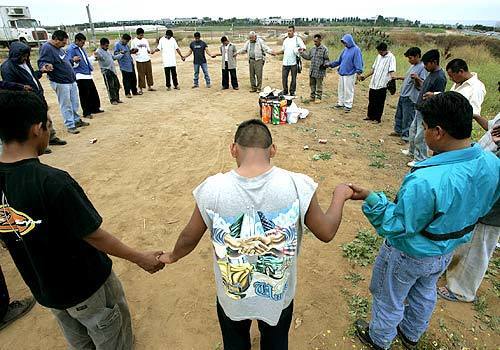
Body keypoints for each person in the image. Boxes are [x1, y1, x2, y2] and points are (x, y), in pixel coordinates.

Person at [158, 119, 354, 350]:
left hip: (232, 297)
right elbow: (327, 231)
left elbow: (188, 238)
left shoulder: (212, 188)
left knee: (235, 343)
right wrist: (340, 195)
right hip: (278, 298)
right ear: (272, 150)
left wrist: (172, 256)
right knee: (276, 342)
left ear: (233, 149)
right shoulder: (297, 185)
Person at [0, 90, 165, 349]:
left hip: (46, 289)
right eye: (48, 124)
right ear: (36, 129)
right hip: (86, 286)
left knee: (78, 338)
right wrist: (140, 257)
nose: (48, 131)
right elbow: (94, 234)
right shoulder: (52, 181)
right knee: (112, 335)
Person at [348, 92, 500, 350]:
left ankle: (379, 338)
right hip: (445, 250)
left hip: (410, 253)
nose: (425, 131)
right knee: (424, 292)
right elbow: (485, 205)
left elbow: (398, 226)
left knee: (390, 296)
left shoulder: (426, 180)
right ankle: (411, 334)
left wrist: (372, 199)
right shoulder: (491, 164)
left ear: (438, 132)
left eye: (426, 127)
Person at [1, 41, 66, 150]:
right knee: (35, 123)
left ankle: (51, 137)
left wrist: (41, 71)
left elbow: (32, 77)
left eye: (26, 55)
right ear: (16, 55)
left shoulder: (26, 63)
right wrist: (23, 89)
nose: (25, 58)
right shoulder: (7, 67)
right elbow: (10, 87)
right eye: (23, 56)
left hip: (37, 95)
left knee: (46, 119)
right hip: (26, 100)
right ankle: (39, 145)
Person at [38, 30, 89, 134]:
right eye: (63, 42)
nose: (64, 44)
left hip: (70, 80)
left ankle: (76, 120)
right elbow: (42, 62)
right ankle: (70, 125)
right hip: (60, 81)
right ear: (56, 39)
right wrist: (45, 66)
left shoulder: (59, 49)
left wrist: (72, 60)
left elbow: (63, 61)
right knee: (66, 104)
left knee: (74, 102)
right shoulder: (47, 48)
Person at [404, 49, 447, 167]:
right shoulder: (431, 74)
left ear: (433, 62)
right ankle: (412, 152)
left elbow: (440, 96)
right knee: (412, 131)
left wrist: (432, 97)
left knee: (420, 136)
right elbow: (424, 86)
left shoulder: (440, 77)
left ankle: (420, 159)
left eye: (426, 64)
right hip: (419, 107)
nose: (425, 67)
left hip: (427, 111)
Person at [390, 47, 427, 142]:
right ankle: (398, 130)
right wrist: (398, 77)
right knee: (399, 114)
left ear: (417, 56)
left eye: (411, 58)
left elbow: (422, 84)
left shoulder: (422, 67)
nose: (409, 60)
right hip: (403, 94)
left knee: (408, 117)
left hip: (411, 96)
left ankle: (406, 136)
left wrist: (417, 78)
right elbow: (407, 77)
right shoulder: (413, 66)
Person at [67, 33, 104, 119]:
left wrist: (93, 57)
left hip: (87, 73)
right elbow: (69, 63)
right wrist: (75, 61)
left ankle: (94, 108)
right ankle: (86, 112)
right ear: (77, 41)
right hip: (80, 75)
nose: (83, 44)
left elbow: (86, 60)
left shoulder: (81, 49)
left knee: (92, 93)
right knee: (84, 95)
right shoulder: (71, 49)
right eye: (82, 42)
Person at [325, 34, 364, 113]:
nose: (344, 44)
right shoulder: (345, 49)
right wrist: (330, 64)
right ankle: (341, 103)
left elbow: (358, 63)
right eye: (343, 43)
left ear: (349, 41)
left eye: (345, 42)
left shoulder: (356, 50)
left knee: (348, 90)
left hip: (350, 74)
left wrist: (359, 72)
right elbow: (339, 61)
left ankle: (348, 105)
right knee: (341, 89)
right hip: (342, 73)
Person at [359, 43, 396, 123]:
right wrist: (365, 77)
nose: (380, 53)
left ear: (385, 50)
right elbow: (373, 69)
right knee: (372, 100)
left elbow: (392, 70)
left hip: (383, 84)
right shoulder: (379, 56)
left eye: (381, 52)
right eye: (379, 52)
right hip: (374, 82)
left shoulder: (391, 57)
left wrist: (393, 79)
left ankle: (377, 118)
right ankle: (370, 116)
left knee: (379, 102)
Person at [275, 25, 305, 96]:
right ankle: (285, 91)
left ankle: (292, 92)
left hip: (294, 62)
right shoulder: (285, 40)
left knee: (293, 78)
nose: (289, 32)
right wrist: (276, 53)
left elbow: (303, 47)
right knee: (284, 78)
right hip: (285, 62)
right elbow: (283, 50)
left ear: (294, 31)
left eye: (290, 31)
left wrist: (300, 50)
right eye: (288, 31)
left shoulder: (297, 39)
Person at [300, 34, 329, 103]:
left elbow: (327, 59)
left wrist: (325, 65)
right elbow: (308, 57)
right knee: (312, 84)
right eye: (314, 41)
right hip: (312, 70)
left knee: (319, 85)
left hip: (320, 70)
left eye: (316, 41)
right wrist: (302, 53)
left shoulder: (324, 49)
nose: (315, 42)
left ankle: (318, 97)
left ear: (320, 40)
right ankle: (312, 97)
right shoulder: (312, 49)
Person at [95, 38, 123, 105]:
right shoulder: (98, 51)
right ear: (102, 45)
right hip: (106, 71)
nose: (107, 47)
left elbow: (113, 58)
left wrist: (121, 54)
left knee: (116, 85)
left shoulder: (107, 51)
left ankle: (117, 98)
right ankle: (112, 100)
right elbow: (98, 57)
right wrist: (96, 56)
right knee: (110, 86)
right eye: (106, 45)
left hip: (112, 70)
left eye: (108, 45)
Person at [114, 34, 139, 98]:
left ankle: (134, 91)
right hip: (124, 65)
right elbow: (115, 55)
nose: (127, 42)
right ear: (122, 39)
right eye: (126, 41)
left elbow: (128, 52)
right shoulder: (117, 45)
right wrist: (121, 53)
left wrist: (132, 51)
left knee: (133, 79)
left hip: (130, 63)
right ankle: (127, 93)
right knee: (126, 80)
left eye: (128, 41)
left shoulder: (126, 45)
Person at [131, 28, 155, 93]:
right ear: (137, 35)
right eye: (140, 35)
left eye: (142, 35)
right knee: (141, 74)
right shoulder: (134, 41)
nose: (142, 36)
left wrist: (151, 51)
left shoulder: (145, 40)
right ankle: (140, 88)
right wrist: (134, 51)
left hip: (147, 59)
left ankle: (150, 86)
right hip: (139, 60)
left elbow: (148, 49)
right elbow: (132, 51)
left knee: (149, 73)